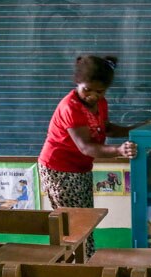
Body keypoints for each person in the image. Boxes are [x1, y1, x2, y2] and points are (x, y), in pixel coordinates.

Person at [38, 55, 143, 258]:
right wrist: (119, 151)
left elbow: (105, 128)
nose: (93, 96)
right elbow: (86, 147)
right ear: (78, 82)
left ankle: (85, 261)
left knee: (85, 217)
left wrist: (132, 130)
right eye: (88, 90)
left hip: (80, 168)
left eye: (100, 91)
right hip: (59, 170)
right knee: (74, 222)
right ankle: (80, 266)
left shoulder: (100, 103)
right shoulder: (70, 107)